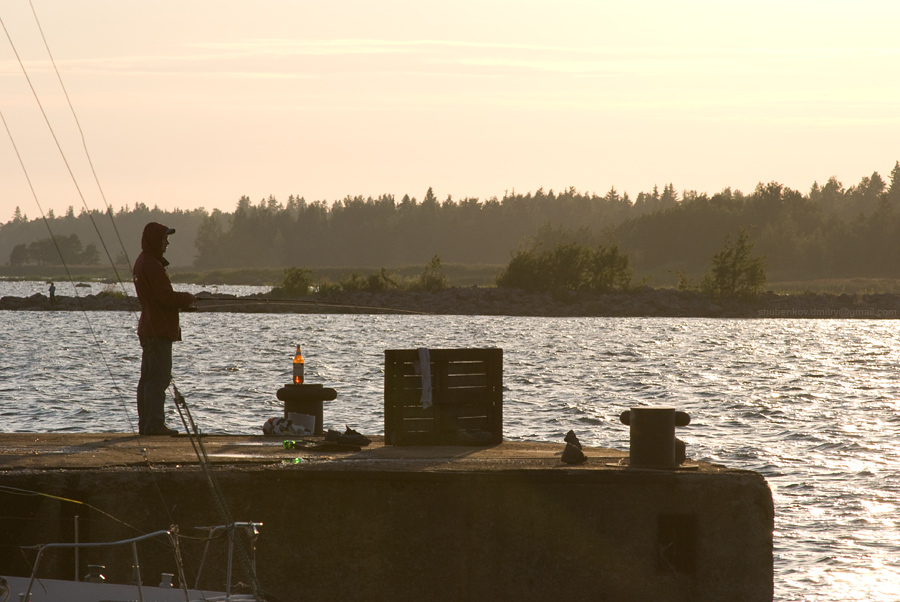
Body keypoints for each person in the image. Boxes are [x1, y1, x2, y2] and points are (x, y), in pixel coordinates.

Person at [133, 222, 196, 435]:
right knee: (158, 378)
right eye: (164, 238)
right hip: (157, 328)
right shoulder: (152, 265)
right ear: (154, 240)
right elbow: (165, 297)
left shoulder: (144, 262)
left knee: (148, 378)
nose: (167, 242)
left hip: (149, 327)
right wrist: (186, 298)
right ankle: (154, 425)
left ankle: (147, 424)